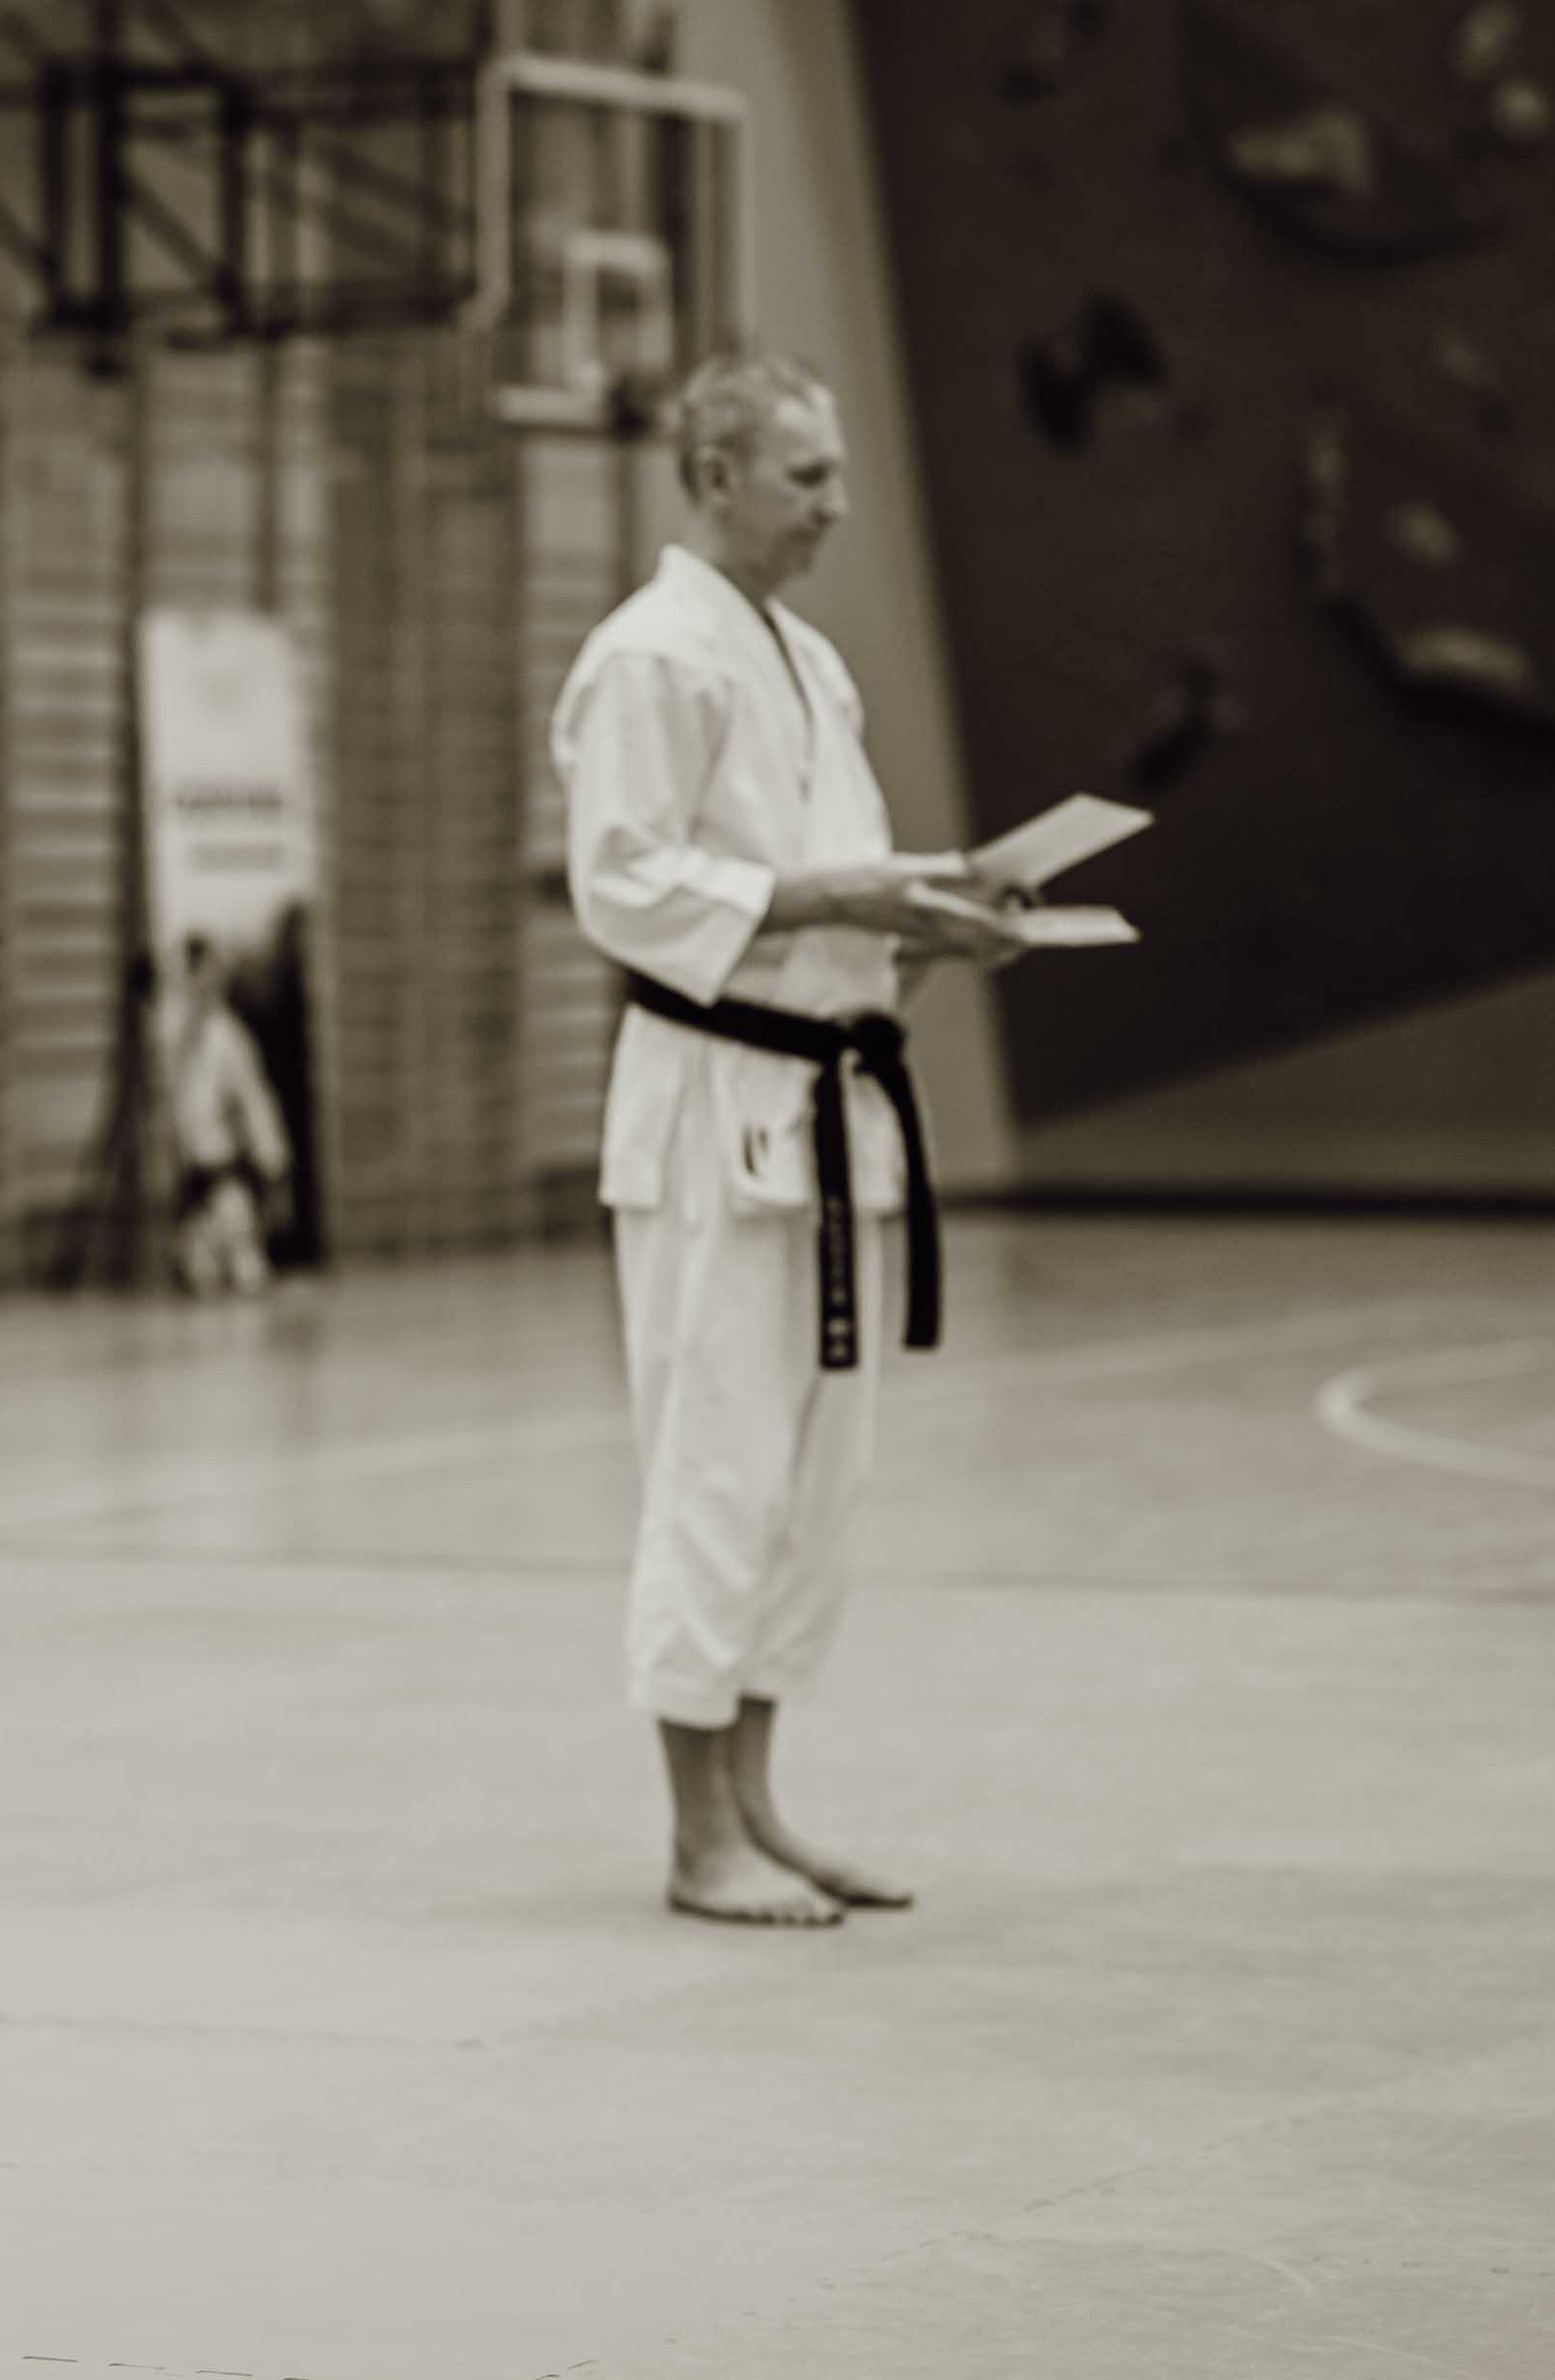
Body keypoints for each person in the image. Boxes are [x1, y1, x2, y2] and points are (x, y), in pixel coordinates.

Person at [548, 352, 1025, 1929]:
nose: (835, 504)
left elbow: (822, 890)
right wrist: (849, 896)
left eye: (834, 471)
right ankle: (696, 1840)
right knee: (719, 1463)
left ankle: (758, 1803)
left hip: (830, 1106)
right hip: (713, 1118)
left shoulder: (807, 662)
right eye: (808, 476)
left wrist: (942, 934)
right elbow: (624, 883)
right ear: (716, 477)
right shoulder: (650, 656)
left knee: (813, 1479)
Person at [163, 933, 295, 1297]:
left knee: (245, 1267)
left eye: (205, 973)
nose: (198, 983)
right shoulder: (171, 1036)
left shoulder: (230, 1038)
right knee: (199, 1272)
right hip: (189, 1180)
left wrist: (272, 1159)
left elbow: (254, 1102)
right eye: (191, 975)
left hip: (225, 1171)